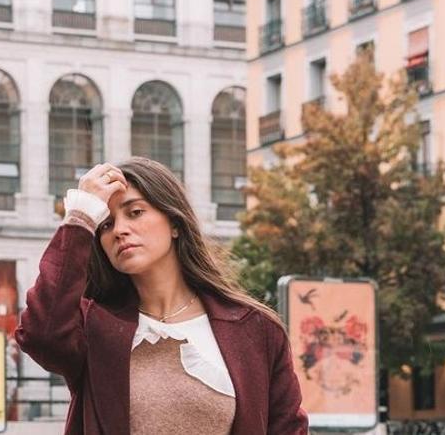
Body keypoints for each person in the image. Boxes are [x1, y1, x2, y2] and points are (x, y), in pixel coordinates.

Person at [16, 157, 308, 435]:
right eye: (105, 224)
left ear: (175, 224)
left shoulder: (256, 330)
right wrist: (81, 216)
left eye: (135, 212)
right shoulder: (93, 327)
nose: (119, 230)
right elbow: (40, 335)